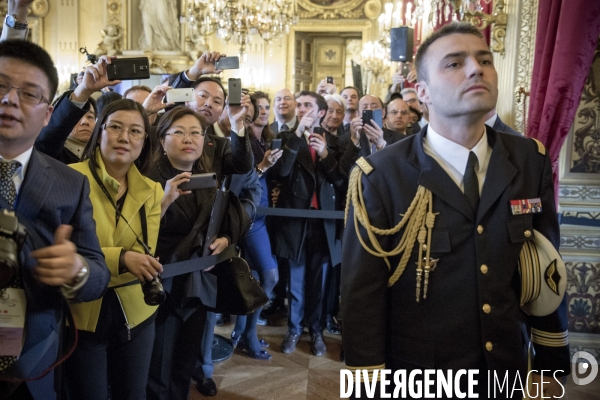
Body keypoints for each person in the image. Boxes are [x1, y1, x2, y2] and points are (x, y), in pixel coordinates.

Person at [342, 22, 569, 398]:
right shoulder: (381, 175)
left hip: (506, 372)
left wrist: (550, 360)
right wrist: (367, 385)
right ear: (422, 92)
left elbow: (545, 264)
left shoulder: (530, 159)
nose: (476, 69)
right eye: (454, 63)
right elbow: (361, 294)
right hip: (420, 376)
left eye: (484, 60)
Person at [0, 38, 109, 400]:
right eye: (0, 87)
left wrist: (76, 269)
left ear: (48, 114)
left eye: (29, 94)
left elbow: (97, 271)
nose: (10, 100)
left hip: (33, 357)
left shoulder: (70, 183)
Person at [146, 106, 249, 400]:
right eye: (178, 132)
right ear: (162, 139)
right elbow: (136, 233)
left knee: (184, 363)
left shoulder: (206, 175)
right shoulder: (148, 177)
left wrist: (226, 237)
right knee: (158, 367)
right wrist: (164, 202)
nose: (188, 139)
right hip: (161, 285)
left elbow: (228, 215)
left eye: (195, 133)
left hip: (199, 284)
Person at [65, 99, 164, 400]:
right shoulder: (69, 177)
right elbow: (65, 251)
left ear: (144, 141)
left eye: (135, 131)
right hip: (82, 311)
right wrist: (121, 258)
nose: (124, 137)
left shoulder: (152, 190)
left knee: (132, 394)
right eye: (116, 127)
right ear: (100, 131)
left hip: (137, 310)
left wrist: (121, 260)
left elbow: (144, 257)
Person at [271, 91, 344, 357]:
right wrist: (298, 133)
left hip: (324, 221)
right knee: (297, 280)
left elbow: (340, 180)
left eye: (307, 106)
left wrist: (325, 154)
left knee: (319, 281)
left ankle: (316, 331)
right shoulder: (287, 139)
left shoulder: (336, 143)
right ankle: (293, 329)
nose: (301, 109)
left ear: (321, 112)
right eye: (299, 105)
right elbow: (282, 171)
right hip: (296, 220)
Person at [229, 92, 281, 359]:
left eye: (263, 107)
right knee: (269, 276)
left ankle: (243, 334)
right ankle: (245, 333)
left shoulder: (262, 138)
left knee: (257, 277)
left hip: (262, 214)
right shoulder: (239, 139)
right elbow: (240, 181)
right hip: (248, 217)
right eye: (253, 106)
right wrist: (262, 167)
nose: (260, 111)